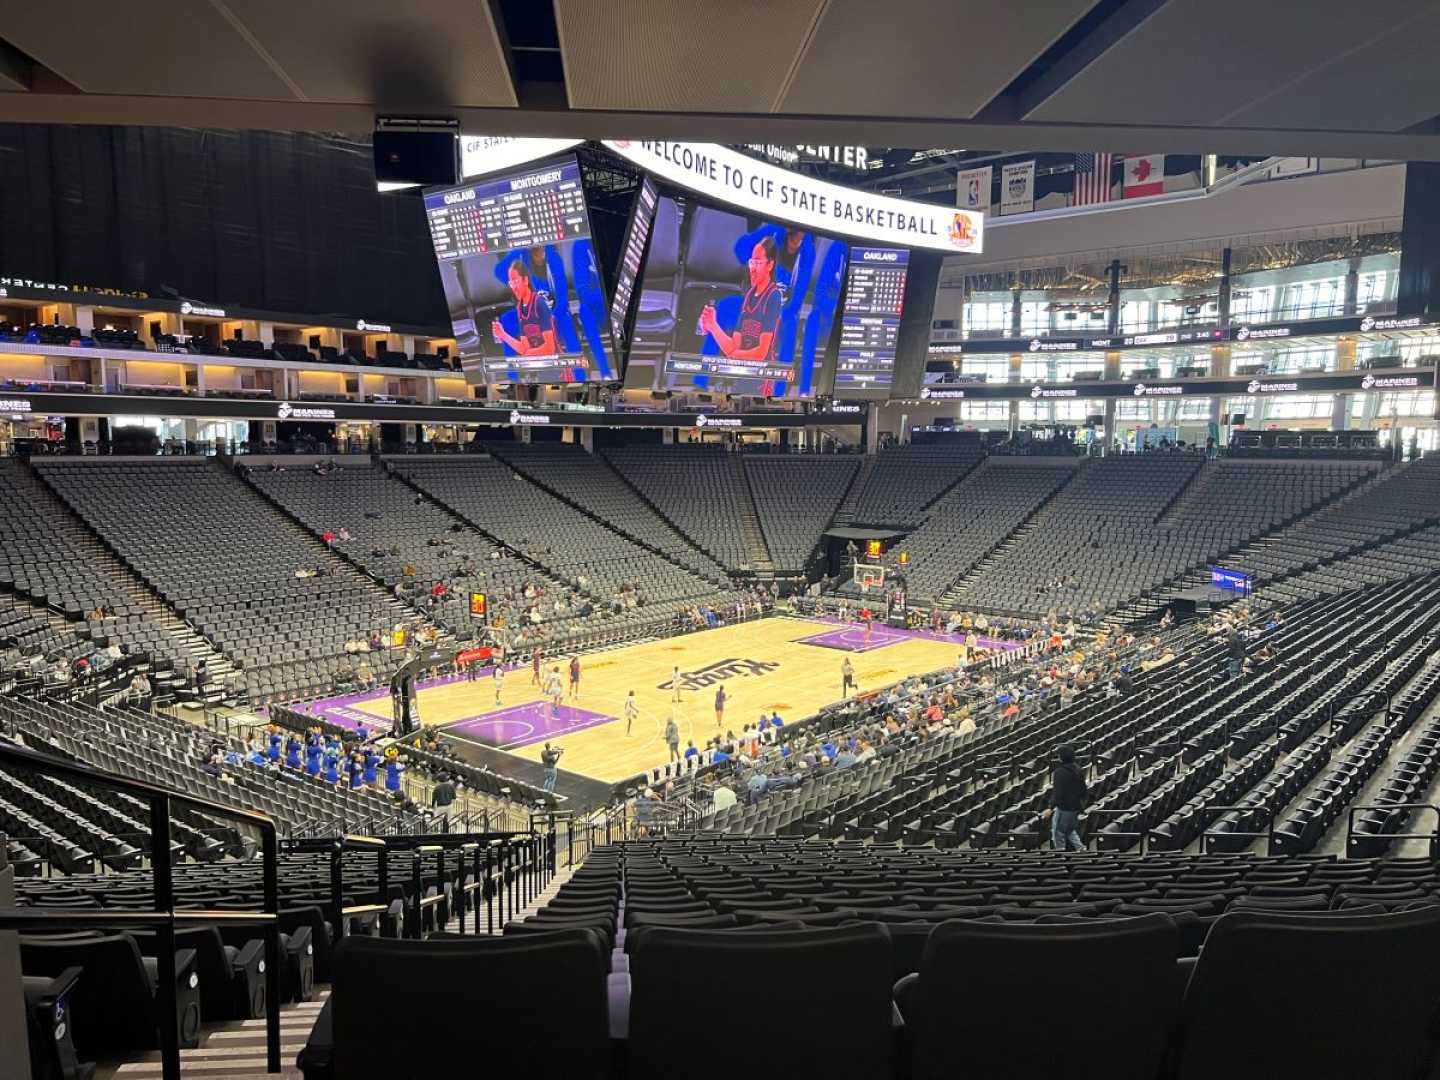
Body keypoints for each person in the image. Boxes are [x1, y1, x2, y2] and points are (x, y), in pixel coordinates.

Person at [698, 235, 782, 362]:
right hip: (743, 374)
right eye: (751, 263)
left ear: (770, 265)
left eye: (758, 263)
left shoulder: (773, 297)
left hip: (762, 376)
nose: (752, 269)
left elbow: (760, 354)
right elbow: (734, 347)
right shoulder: (749, 296)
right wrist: (713, 326)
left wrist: (733, 355)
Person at [492, 260, 557, 356]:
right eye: (511, 283)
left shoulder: (539, 304)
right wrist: (503, 335)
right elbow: (524, 348)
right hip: (538, 364)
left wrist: (528, 354)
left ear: (525, 280)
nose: (513, 287)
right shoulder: (520, 308)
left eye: (515, 281)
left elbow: (550, 348)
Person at [1047, 745, 1087, 852]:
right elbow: (1084, 790)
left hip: (1064, 808)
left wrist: (1050, 807)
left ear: (1061, 757)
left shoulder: (1059, 772)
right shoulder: (1078, 769)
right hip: (1076, 807)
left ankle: (1060, 855)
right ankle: (1081, 849)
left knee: (1058, 833)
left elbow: (1058, 793)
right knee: (1069, 830)